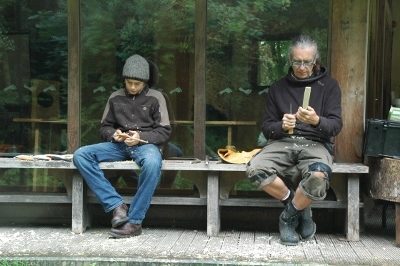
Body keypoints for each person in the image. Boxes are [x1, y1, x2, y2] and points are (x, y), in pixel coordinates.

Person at [246, 35, 342, 246]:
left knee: (318, 175)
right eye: (297, 61)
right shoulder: (278, 87)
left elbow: (336, 126)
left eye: (306, 62)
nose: (301, 67)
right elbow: (266, 127)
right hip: (282, 143)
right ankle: (301, 209)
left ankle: (288, 217)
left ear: (315, 60)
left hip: (316, 144)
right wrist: (281, 126)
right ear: (290, 60)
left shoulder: (330, 86)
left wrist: (317, 121)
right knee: (256, 169)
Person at [73, 54, 171, 238]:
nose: (133, 87)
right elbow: (104, 127)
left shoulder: (157, 97)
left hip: (145, 146)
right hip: (119, 146)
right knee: (81, 155)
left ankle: (134, 222)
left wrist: (140, 136)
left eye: (137, 84)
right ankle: (117, 206)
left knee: (152, 163)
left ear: (145, 82)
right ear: (124, 80)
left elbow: (164, 131)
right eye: (129, 83)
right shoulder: (115, 97)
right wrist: (113, 134)